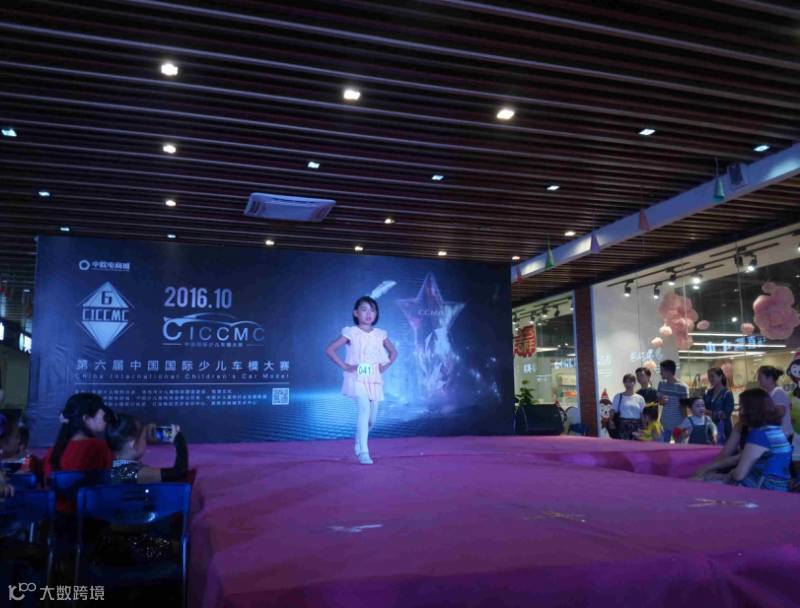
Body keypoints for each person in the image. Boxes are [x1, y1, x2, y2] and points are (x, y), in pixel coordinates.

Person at [325, 296, 397, 465]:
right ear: (355, 313)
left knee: (371, 420)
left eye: (372, 310)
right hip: (356, 376)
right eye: (364, 309)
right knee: (363, 410)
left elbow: (394, 352)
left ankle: (358, 442)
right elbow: (330, 349)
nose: (368, 314)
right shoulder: (351, 332)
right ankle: (364, 452)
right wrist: (345, 366)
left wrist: (384, 366)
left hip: (374, 377)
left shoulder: (380, 334)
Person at [44, 393, 114, 511]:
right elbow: (121, 477)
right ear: (86, 419)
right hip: (91, 517)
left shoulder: (52, 451)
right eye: (103, 413)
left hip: (58, 518)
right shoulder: (99, 447)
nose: (106, 417)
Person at [727, 388, 792, 492]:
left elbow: (739, 475)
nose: (740, 411)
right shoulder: (775, 430)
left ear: (752, 409)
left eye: (742, 407)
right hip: (780, 488)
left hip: (763, 490)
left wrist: (729, 474)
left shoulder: (759, 434)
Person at [106, 415, 188, 484]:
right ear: (134, 445)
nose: (146, 441)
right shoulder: (129, 473)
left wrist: (143, 436)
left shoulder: (117, 469)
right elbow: (179, 472)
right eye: (144, 438)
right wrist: (178, 440)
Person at [757, 365, 793, 441]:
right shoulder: (769, 393)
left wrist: (761, 414)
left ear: (770, 378)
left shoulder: (778, 392)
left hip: (783, 434)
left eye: (760, 377)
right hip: (776, 433)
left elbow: (780, 412)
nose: (758, 380)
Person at [657, 360, 689, 443]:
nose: (660, 373)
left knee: (679, 447)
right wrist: (661, 401)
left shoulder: (682, 387)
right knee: (662, 447)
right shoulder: (661, 384)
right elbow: (659, 401)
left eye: (662, 371)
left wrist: (685, 425)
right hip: (664, 423)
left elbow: (684, 408)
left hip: (678, 423)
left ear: (669, 372)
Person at [610, 374, 645, 440]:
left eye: (630, 382)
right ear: (623, 383)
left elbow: (642, 414)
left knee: (637, 444)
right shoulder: (618, 396)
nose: (628, 384)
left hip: (637, 426)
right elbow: (613, 410)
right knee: (623, 445)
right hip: (623, 426)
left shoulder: (640, 398)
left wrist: (644, 426)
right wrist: (610, 421)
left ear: (634, 383)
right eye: (625, 382)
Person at [703, 367, 734, 443]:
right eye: (709, 377)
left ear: (720, 377)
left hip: (724, 430)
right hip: (709, 428)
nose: (710, 379)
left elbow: (726, 414)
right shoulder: (708, 393)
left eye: (712, 376)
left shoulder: (727, 393)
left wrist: (709, 412)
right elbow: (703, 409)